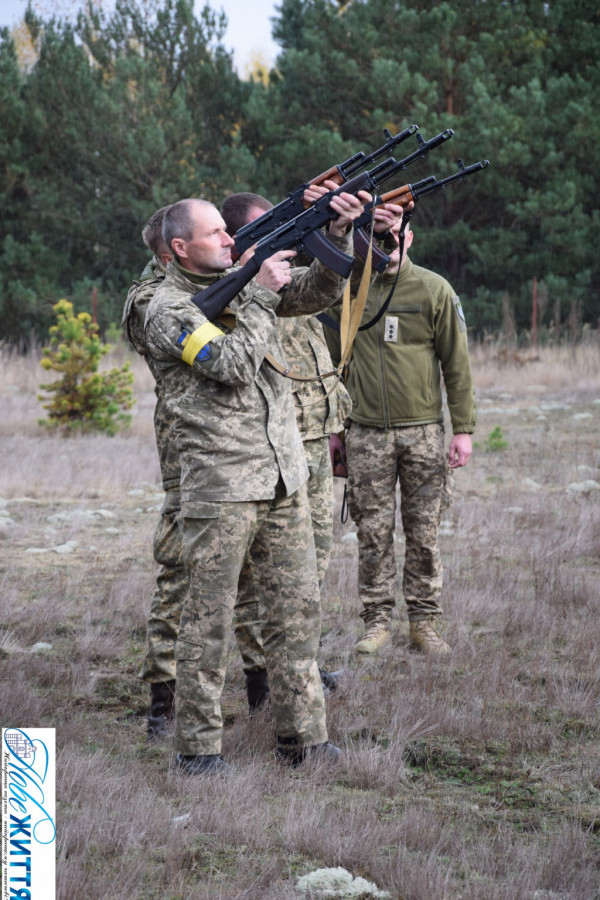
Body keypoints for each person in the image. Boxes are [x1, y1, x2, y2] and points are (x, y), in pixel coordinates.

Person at [144, 191, 368, 774]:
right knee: (208, 623)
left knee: (298, 615)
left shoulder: (243, 281)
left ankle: (305, 740)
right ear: (179, 247)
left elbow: (317, 293)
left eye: (228, 229)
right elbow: (232, 366)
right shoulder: (165, 310)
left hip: (282, 478)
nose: (229, 239)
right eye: (215, 233)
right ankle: (197, 749)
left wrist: (338, 235)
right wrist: (261, 291)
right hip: (221, 487)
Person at [122, 206, 269, 739]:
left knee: (247, 580)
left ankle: (261, 685)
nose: (226, 242)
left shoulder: (216, 280)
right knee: (181, 581)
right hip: (190, 461)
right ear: (170, 253)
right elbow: (199, 345)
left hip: (239, 458)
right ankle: (163, 699)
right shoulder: (151, 301)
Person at [324, 211, 476, 656]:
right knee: (372, 533)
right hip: (365, 434)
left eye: (393, 236)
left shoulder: (433, 289)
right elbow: (330, 368)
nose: (386, 246)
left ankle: (424, 623)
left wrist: (462, 429)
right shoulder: (347, 291)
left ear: (410, 236)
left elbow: (457, 364)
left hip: (423, 434)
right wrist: (335, 431)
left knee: (423, 534)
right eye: (375, 238)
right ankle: (376, 623)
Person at [220, 192, 352, 691]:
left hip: (315, 435)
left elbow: (320, 291)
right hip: (273, 444)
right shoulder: (235, 289)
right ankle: (260, 673)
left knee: (310, 566)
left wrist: (338, 234)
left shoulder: (280, 280)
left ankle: (301, 662)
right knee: (262, 576)